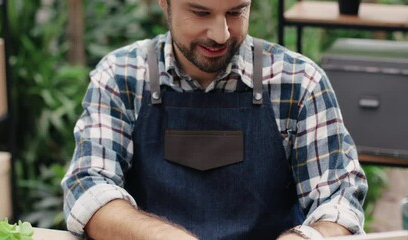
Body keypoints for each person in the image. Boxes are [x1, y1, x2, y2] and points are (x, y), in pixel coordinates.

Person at [61, 0, 368, 239]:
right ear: (164, 3)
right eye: (200, 12)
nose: (220, 34)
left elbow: (340, 200)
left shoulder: (299, 82)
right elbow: (87, 187)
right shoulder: (121, 76)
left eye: (236, 12)